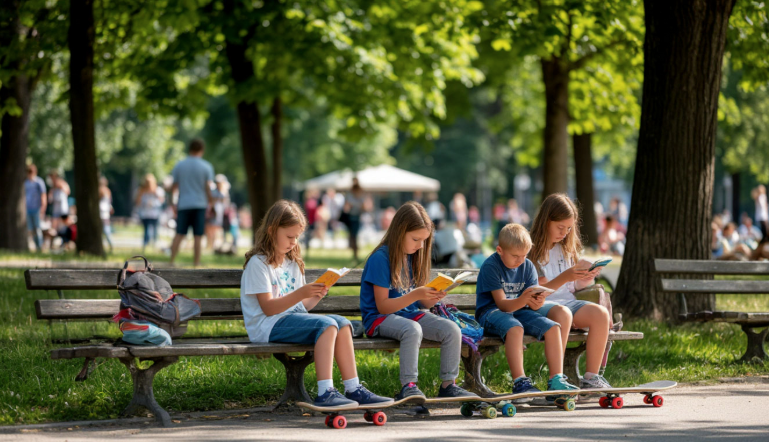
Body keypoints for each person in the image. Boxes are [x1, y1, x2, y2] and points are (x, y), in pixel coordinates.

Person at [241, 199, 392, 409]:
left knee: (342, 323)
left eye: (297, 237)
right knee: (327, 325)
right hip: (266, 326)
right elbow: (268, 308)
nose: (294, 242)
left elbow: (301, 307)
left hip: (288, 320)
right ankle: (325, 392)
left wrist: (317, 293)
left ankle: (353, 388)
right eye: (289, 236)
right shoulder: (258, 264)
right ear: (272, 230)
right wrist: (301, 293)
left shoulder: (292, 263)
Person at [359, 201, 479, 403]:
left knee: (451, 329)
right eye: (416, 239)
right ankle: (409, 387)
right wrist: (415, 295)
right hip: (379, 319)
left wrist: (431, 297)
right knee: (412, 329)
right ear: (400, 232)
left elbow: (420, 303)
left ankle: (449, 385)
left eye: (424, 240)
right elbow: (383, 306)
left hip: (409, 314)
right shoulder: (381, 259)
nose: (420, 246)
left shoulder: (412, 256)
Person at [476, 223, 577, 401]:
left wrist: (537, 301)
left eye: (524, 255)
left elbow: (533, 306)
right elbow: (502, 305)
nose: (520, 261)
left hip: (519, 310)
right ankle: (520, 383)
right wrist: (524, 299)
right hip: (491, 312)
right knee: (515, 328)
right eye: (515, 256)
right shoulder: (491, 266)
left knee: (553, 327)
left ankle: (556, 380)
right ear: (500, 250)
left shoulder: (528, 266)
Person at [528, 193, 613, 389]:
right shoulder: (531, 250)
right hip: (543, 306)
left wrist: (587, 277)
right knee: (564, 312)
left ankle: (591, 378)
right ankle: (556, 379)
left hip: (568, 303)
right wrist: (566, 276)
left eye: (568, 228)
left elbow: (572, 288)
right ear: (546, 221)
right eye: (560, 227)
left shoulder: (565, 249)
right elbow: (537, 293)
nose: (564, 233)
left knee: (600, 314)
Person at [169, 139, 214, 268]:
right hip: (200, 204)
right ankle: (196, 263)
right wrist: (211, 202)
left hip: (184, 204)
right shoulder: (206, 166)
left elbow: (174, 186)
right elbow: (207, 187)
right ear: (202, 150)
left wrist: (172, 202)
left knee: (179, 233)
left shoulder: (180, 165)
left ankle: (171, 260)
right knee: (198, 235)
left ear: (189, 149)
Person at [135, 173, 165, 252]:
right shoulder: (141, 191)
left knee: (155, 230)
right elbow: (137, 202)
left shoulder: (157, 190)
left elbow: (162, 201)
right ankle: (145, 244)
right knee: (147, 230)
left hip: (155, 213)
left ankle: (154, 245)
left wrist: (155, 194)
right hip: (145, 214)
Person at [24, 164, 47, 252]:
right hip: (28, 209)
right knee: (30, 229)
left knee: (37, 228)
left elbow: (43, 195)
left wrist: (43, 208)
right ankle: (34, 246)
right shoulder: (26, 183)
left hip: (37, 208)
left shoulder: (39, 182)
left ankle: (40, 246)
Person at [343, 178, 367, 262]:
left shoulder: (358, 195)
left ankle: (355, 253)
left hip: (355, 217)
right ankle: (354, 253)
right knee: (353, 236)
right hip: (351, 217)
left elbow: (364, 207)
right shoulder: (352, 194)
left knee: (354, 236)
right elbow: (346, 208)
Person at [98, 177, 114, 253]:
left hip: (104, 213)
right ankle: (106, 245)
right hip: (102, 213)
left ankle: (110, 245)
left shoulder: (105, 191)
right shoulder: (104, 191)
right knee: (103, 231)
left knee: (106, 230)